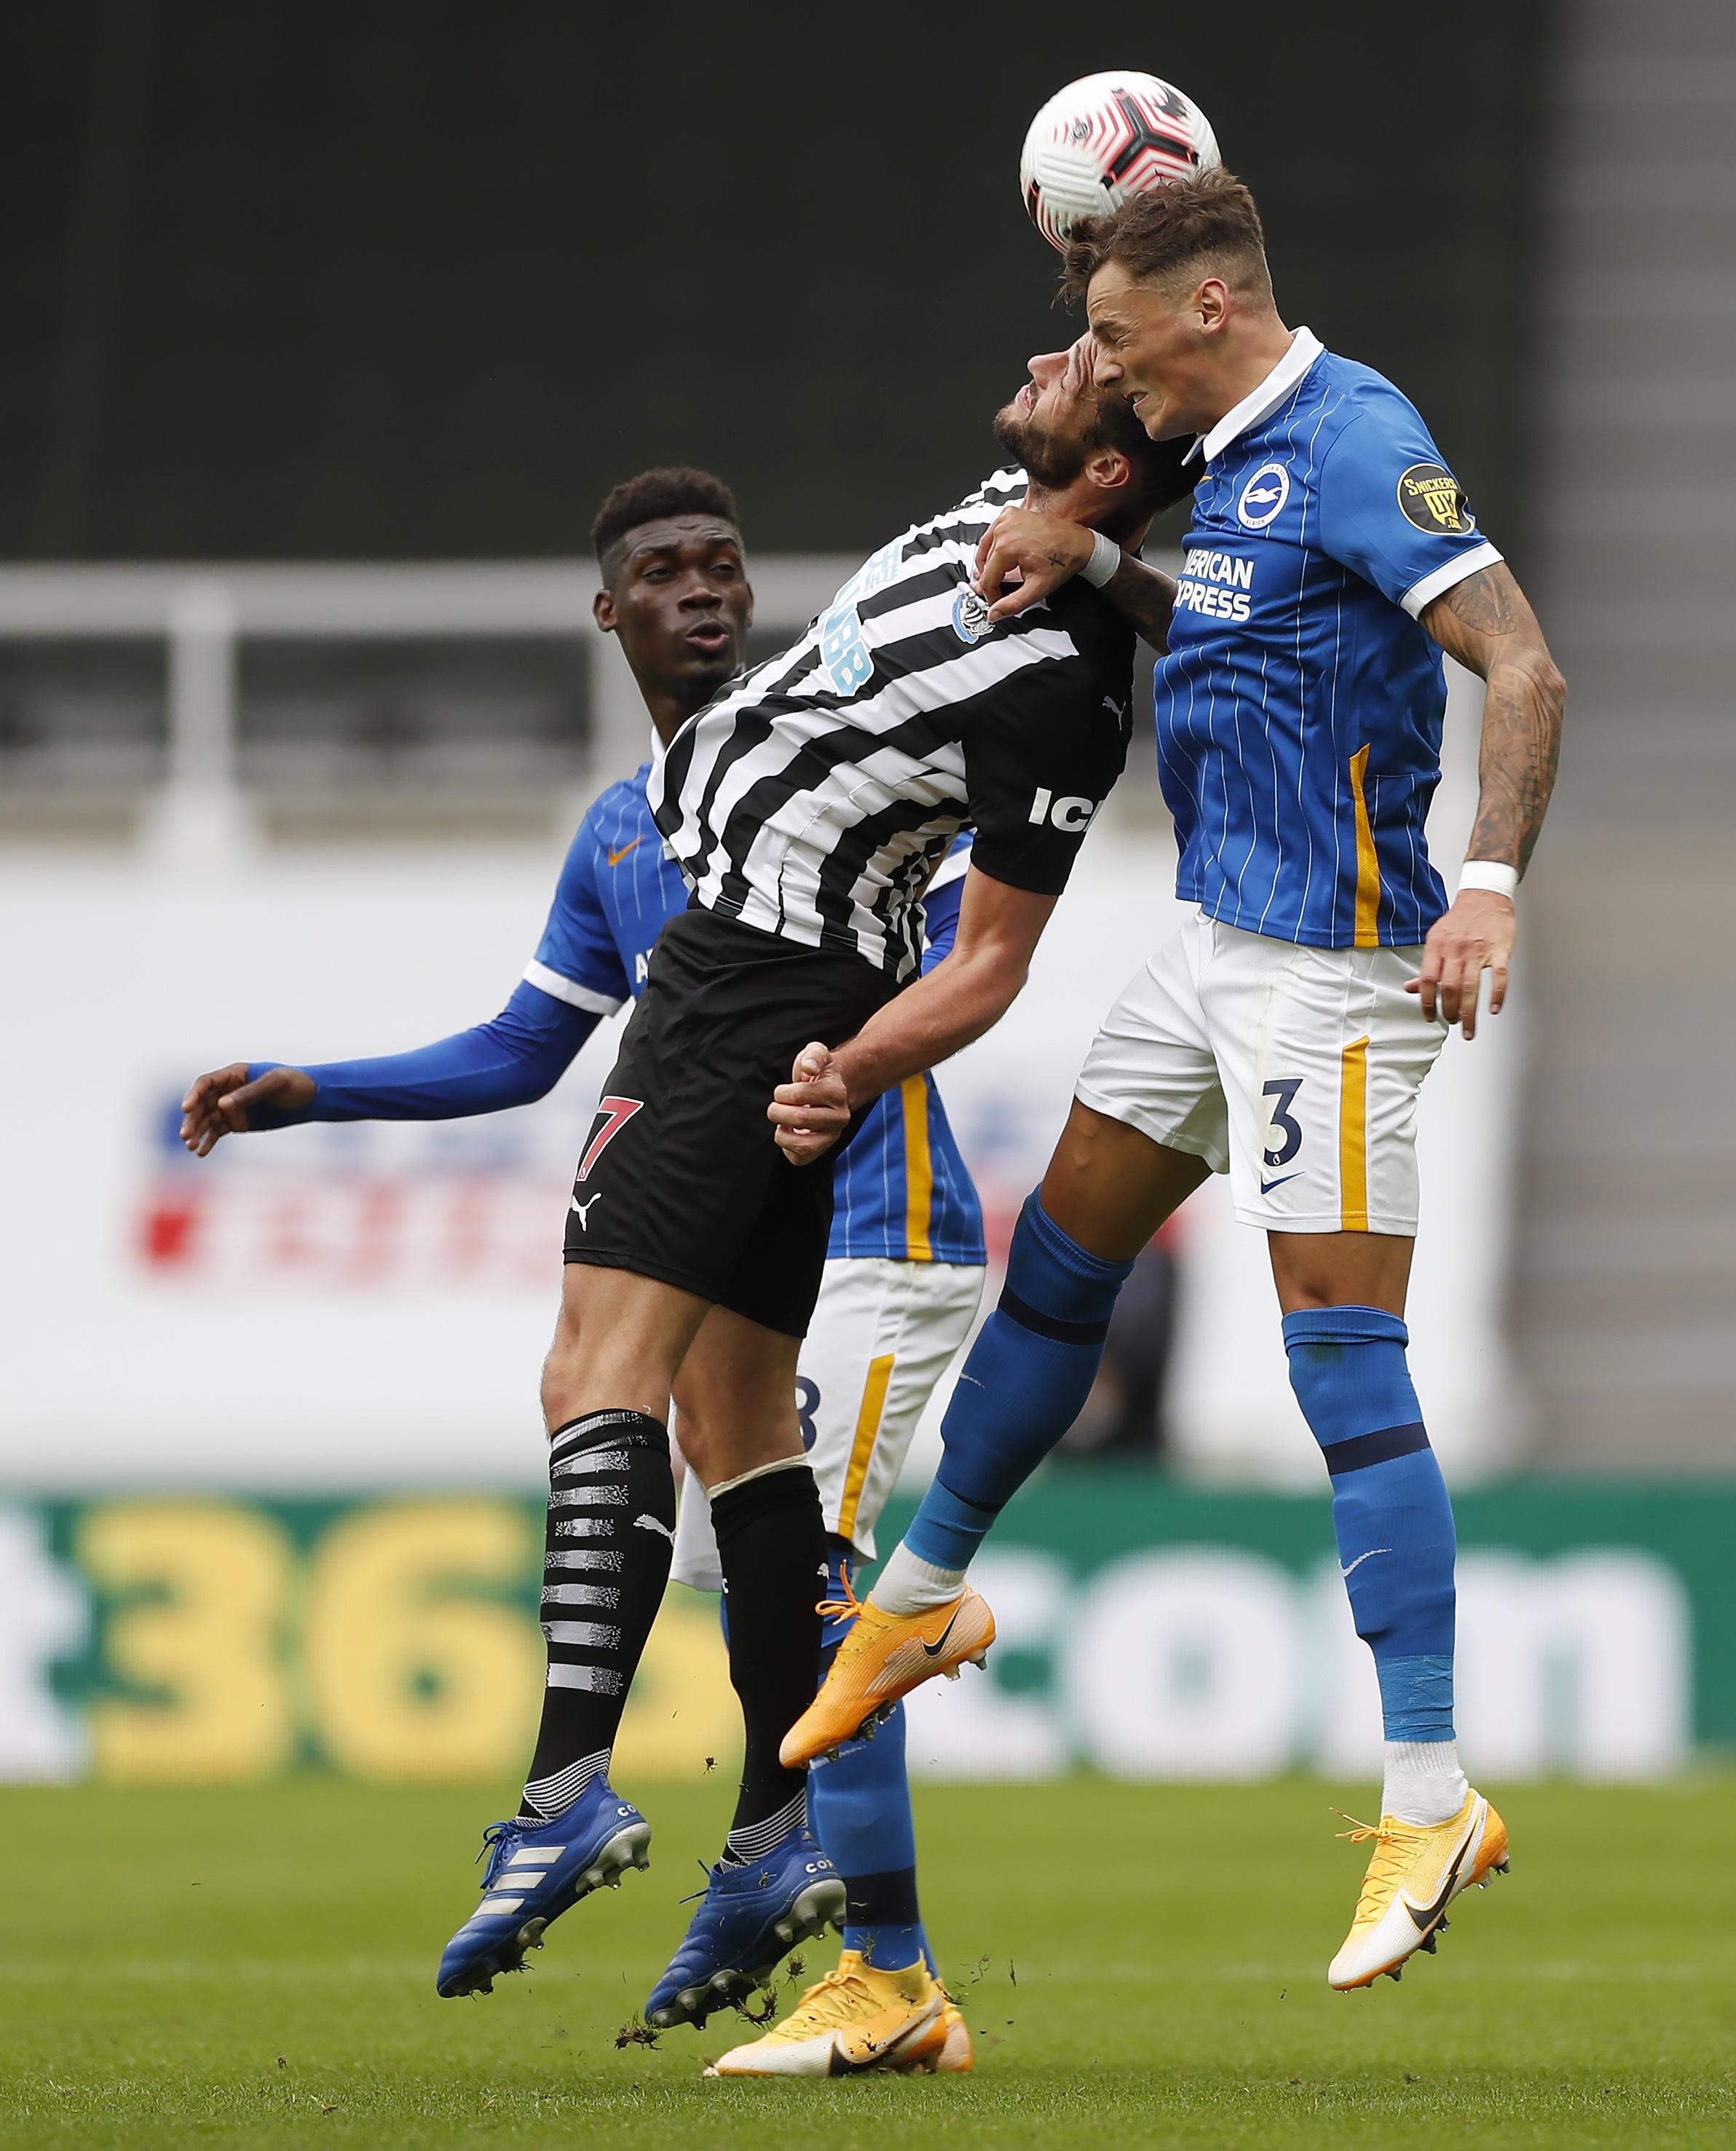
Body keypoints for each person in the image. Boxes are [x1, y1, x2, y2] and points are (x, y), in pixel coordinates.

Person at [183, 353, 1195, 2064]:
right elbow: (522, 1048)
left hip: (887, 1215)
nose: (704, 595)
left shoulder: (888, 731)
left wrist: (1115, 548)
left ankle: (832, 1919)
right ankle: (783, 1859)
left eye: (723, 569)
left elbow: (953, 943)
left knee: (759, 1521)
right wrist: (317, 1090)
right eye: (666, 577)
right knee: (749, 1484)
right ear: (611, 618)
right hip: (777, 1172)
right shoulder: (633, 825)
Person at [783, 169, 1566, 2000]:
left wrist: (1489, 888)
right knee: (1062, 1264)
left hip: (1337, 980)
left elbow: (1521, 667)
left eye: (1124, 338)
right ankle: (913, 1605)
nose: (1107, 373)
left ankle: (1434, 1793)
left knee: (1340, 1366)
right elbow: (1235, 628)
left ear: (1211, 308)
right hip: (1212, 947)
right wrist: (1099, 560)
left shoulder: (1363, 436)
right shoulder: (1224, 470)